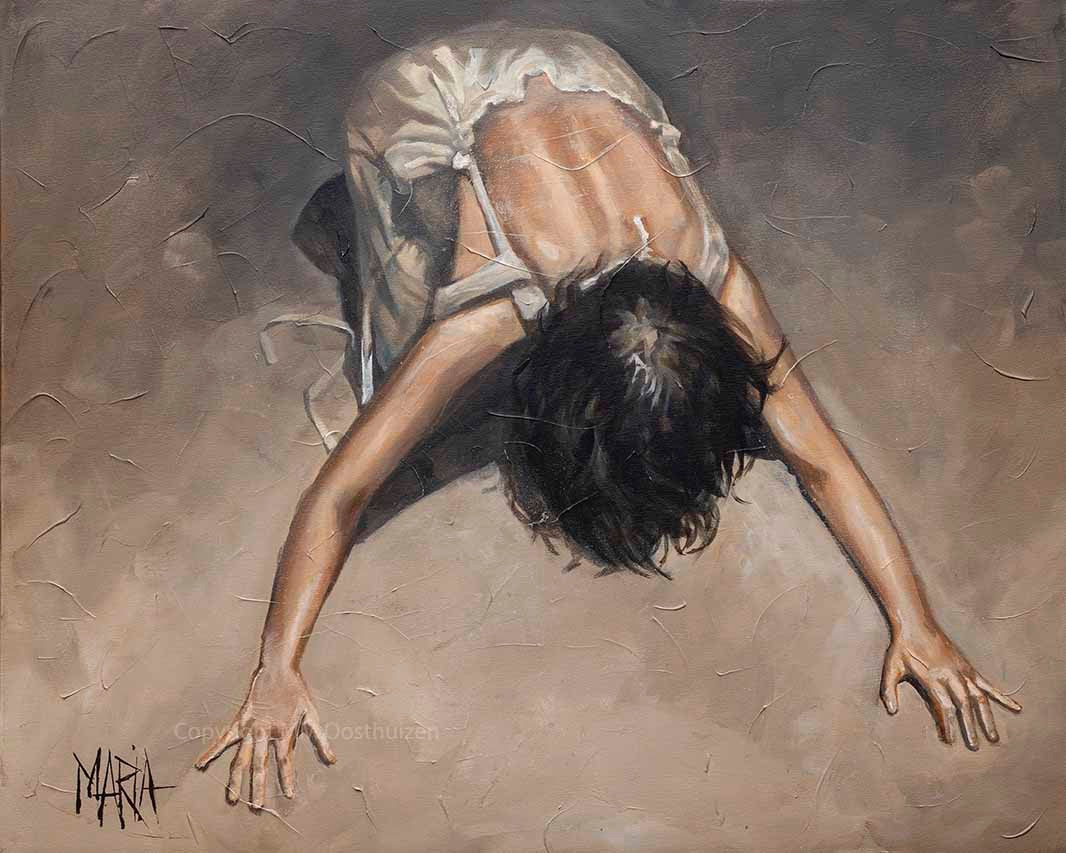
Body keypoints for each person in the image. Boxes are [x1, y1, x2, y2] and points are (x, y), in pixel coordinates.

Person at [195, 24, 1021, 809]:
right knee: (403, 347)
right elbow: (342, 494)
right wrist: (277, 665)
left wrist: (917, 622)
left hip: (588, 66)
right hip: (428, 88)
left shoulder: (715, 276)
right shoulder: (492, 309)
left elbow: (824, 463)